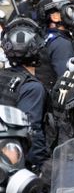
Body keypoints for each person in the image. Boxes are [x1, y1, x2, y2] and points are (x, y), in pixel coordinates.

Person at [0, 18, 49, 167]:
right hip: (16, 162)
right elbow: (32, 133)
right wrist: (40, 167)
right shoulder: (32, 88)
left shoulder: (3, 76)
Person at [38, 0, 74, 86]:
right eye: (69, 10)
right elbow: (67, 80)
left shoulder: (47, 37)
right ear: (55, 17)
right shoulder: (61, 44)